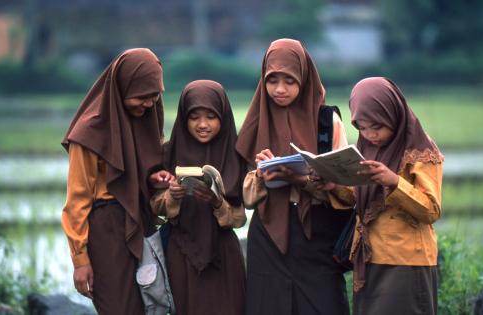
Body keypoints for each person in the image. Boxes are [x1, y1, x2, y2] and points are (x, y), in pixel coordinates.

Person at [236, 38, 355, 315]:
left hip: (317, 233)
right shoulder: (255, 122)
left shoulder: (327, 122)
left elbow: (346, 188)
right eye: (272, 80)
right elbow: (246, 199)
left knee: (323, 305)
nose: (279, 89)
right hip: (268, 235)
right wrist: (261, 176)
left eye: (289, 81)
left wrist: (301, 180)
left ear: (304, 78)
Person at [61, 48, 165, 314]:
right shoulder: (89, 134)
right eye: (141, 97)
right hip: (106, 229)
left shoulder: (142, 122)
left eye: (154, 97)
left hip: (140, 223)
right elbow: (77, 202)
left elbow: (139, 172)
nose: (149, 104)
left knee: (150, 306)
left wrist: (153, 178)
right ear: (121, 89)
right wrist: (80, 260)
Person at [149, 80, 247, 315]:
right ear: (184, 118)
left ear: (223, 117)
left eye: (211, 116)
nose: (202, 124)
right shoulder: (167, 152)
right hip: (180, 254)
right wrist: (173, 197)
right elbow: (153, 206)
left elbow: (240, 218)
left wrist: (217, 203)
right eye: (194, 117)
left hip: (223, 255)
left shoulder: (235, 155)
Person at [348, 77, 444, 315]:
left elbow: (431, 209)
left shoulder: (420, 150)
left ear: (393, 114)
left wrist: (394, 182)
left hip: (406, 262)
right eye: (361, 127)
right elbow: (358, 195)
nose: (370, 134)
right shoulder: (367, 148)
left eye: (377, 126)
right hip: (370, 259)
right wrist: (328, 183)